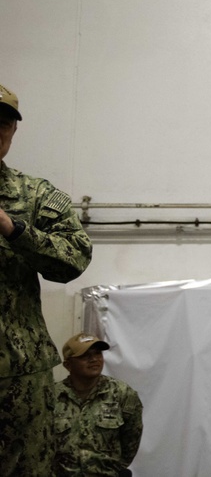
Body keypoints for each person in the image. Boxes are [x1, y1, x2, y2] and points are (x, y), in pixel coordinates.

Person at [0, 82, 93, 477]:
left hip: (19, 377)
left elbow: (75, 258)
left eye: (2, 123)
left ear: (13, 132)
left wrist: (14, 229)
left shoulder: (33, 194)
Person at [52, 333, 144, 477]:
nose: (94, 359)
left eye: (98, 353)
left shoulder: (122, 394)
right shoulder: (52, 397)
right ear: (68, 365)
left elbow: (131, 441)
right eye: (84, 356)